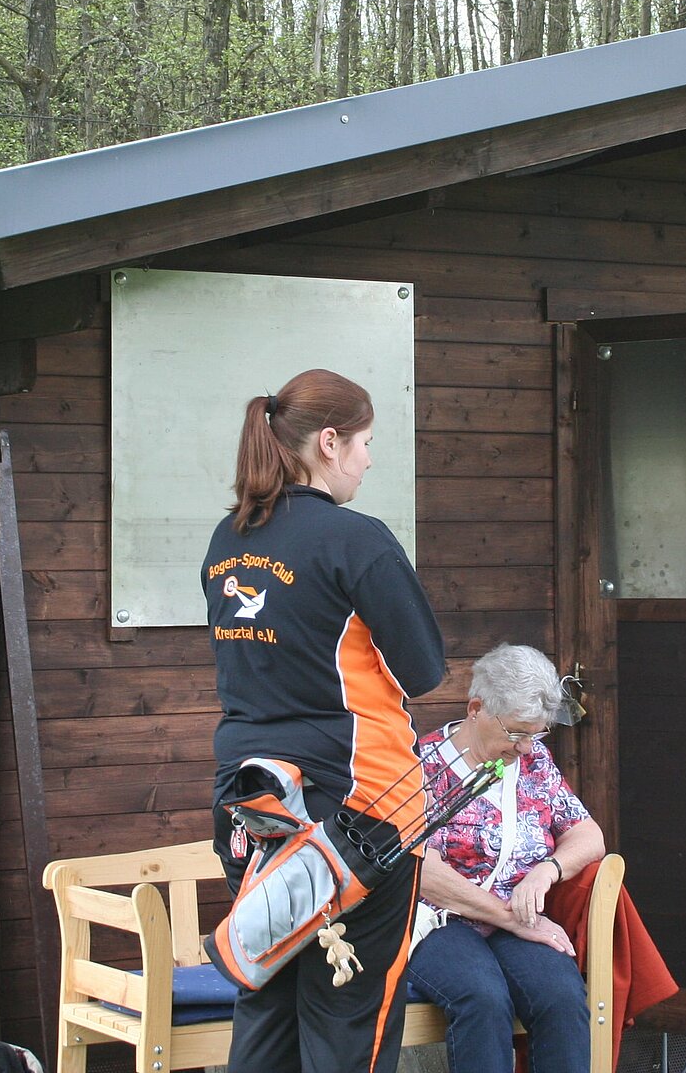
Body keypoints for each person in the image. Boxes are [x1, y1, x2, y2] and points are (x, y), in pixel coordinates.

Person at [204, 368, 447, 1073]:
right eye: (366, 443)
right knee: (349, 1026)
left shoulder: (227, 540)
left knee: (268, 1011)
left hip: (250, 807)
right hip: (359, 812)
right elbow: (423, 670)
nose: (368, 460)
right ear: (330, 442)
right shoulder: (355, 539)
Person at [406, 643, 606, 1073]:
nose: (526, 747)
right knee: (482, 997)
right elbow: (422, 871)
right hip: (439, 921)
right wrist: (509, 918)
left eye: (537, 734)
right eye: (517, 733)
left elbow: (588, 835)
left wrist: (546, 871)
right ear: (476, 709)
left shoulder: (535, 763)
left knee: (561, 996)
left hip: (518, 917)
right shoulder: (422, 766)